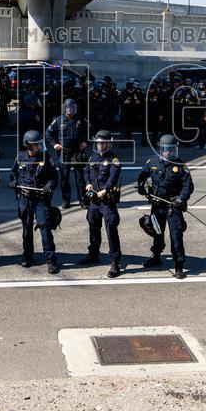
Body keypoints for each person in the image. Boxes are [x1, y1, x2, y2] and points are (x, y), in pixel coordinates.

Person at [138, 134, 194, 278]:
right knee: (157, 232)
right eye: (166, 150)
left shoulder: (180, 166)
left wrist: (181, 199)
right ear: (161, 149)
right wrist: (141, 186)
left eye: (171, 150)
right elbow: (142, 175)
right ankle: (156, 256)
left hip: (172, 206)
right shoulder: (153, 161)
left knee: (176, 235)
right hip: (157, 205)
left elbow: (188, 186)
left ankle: (179, 265)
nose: (169, 152)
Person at [10, 130, 60, 274]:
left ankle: (51, 260)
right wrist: (14, 182)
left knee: (45, 229)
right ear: (28, 145)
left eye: (39, 143)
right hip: (25, 198)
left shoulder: (46, 157)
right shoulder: (20, 156)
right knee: (26, 228)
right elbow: (13, 173)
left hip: (40, 199)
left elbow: (54, 177)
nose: (39, 146)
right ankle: (27, 256)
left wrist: (48, 187)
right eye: (36, 144)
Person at [82, 130, 124, 277]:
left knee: (111, 229)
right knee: (93, 227)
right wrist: (87, 183)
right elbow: (86, 171)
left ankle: (115, 262)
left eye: (101, 143)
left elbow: (113, 177)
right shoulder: (92, 157)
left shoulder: (114, 160)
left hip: (106, 201)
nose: (99, 146)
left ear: (107, 144)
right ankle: (93, 254)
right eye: (97, 143)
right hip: (94, 200)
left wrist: (105, 190)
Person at [45, 98, 88, 209]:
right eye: (68, 108)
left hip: (78, 153)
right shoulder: (59, 120)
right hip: (64, 152)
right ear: (64, 108)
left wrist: (85, 142)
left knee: (80, 178)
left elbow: (89, 131)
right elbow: (48, 133)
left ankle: (82, 199)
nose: (70, 110)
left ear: (75, 108)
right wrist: (55, 144)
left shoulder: (81, 119)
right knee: (64, 178)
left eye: (72, 108)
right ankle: (66, 200)